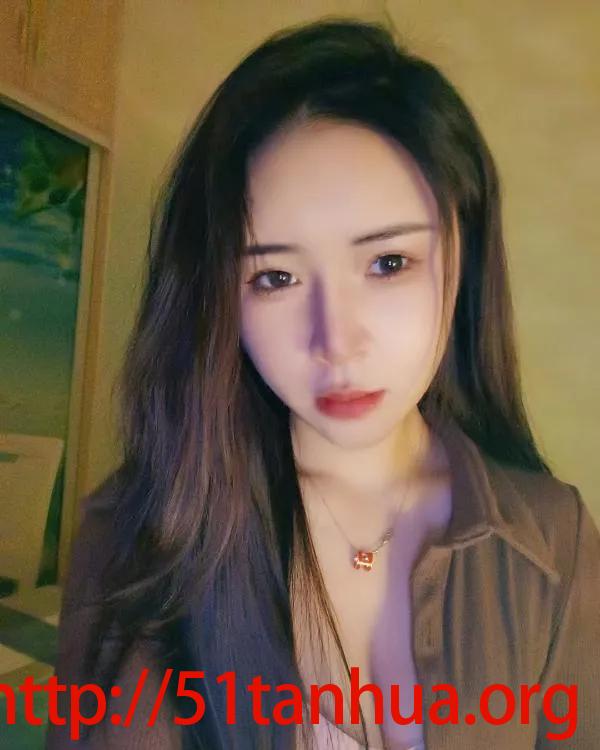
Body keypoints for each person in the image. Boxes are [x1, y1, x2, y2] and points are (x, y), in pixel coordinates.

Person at [46, 17, 600, 750]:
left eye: (388, 263)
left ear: (462, 255)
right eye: (275, 277)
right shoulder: (138, 530)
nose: (335, 342)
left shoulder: (552, 543)